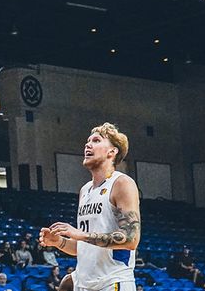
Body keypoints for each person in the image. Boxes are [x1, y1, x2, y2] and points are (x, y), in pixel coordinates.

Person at [40, 124, 141, 291]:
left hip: (112, 281)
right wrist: (58, 241)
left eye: (96, 140)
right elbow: (84, 247)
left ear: (112, 152)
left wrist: (81, 235)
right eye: (88, 141)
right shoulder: (85, 190)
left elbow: (131, 239)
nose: (88, 145)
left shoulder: (121, 183)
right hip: (84, 283)